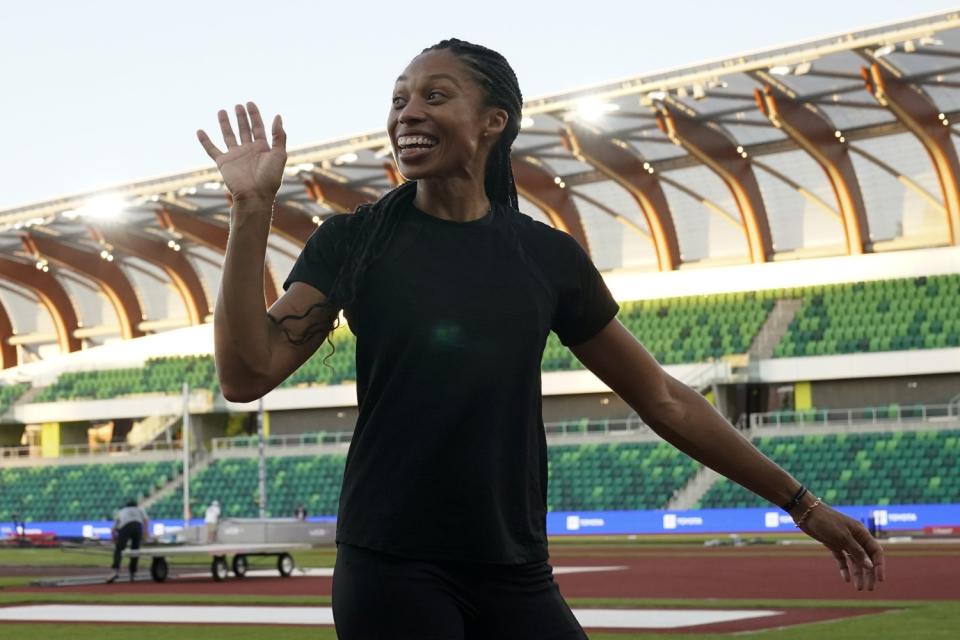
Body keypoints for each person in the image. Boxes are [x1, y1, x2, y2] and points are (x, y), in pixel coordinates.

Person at [198, 38, 886, 639]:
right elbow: (247, 373)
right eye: (399, 98)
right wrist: (250, 211)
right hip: (392, 564)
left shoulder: (547, 258)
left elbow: (664, 400)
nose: (407, 112)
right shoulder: (356, 240)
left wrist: (803, 505)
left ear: (493, 121)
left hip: (516, 566)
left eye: (435, 96)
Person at [108, 498, 149, 583]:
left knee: (119, 549)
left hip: (125, 527)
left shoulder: (122, 510)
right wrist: (145, 532)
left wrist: (114, 538)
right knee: (135, 550)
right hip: (137, 527)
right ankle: (132, 573)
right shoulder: (140, 509)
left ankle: (115, 570)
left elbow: (115, 526)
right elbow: (145, 520)